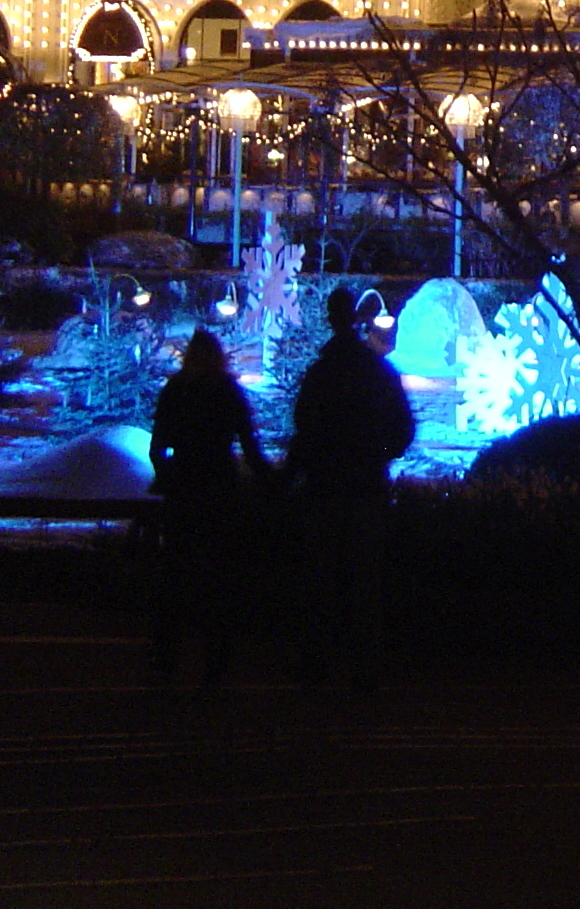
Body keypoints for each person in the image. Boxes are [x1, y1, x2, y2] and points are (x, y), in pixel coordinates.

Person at [285, 288, 413, 690]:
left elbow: (303, 431)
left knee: (320, 578)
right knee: (364, 581)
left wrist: (293, 475)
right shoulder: (377, 372)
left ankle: (317, 661)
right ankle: (363, 665)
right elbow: (403, 429)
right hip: (365, 486)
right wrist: (378, 454)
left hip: (325, 486)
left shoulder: (321, 373)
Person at [148, 328, 269, 685]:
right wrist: (272, 479)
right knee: (217, 577)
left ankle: (168, 652)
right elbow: (249, 445)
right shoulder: (228, 393)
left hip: (185, 487)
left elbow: (158, 447)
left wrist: (168, 476)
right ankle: (216, 657)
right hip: (219, 487)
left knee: (177, 574)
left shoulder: (176, 390)